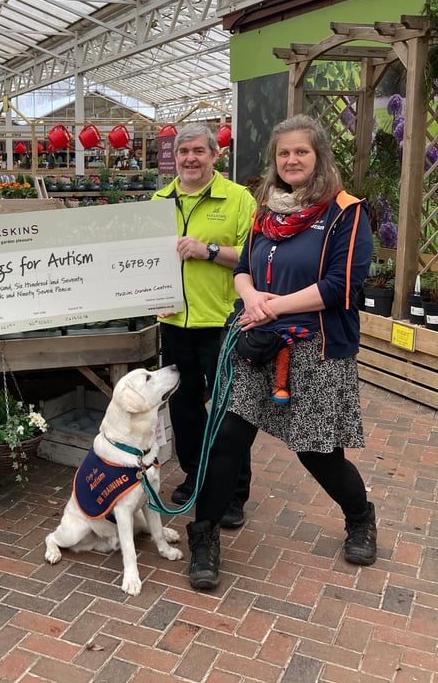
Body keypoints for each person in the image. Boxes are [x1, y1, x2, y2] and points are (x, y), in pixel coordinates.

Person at [186, 113, 376, 591]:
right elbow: (245, 266)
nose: (292, 160)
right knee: (226, 439)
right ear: (275, 160)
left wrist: (273, 307)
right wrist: (250, 297)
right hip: (257, 343)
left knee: (318, 453)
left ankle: (360, 515)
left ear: (318, 156)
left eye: (301, 152)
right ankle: (204, 536)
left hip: (315, 350)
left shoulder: (345, 212)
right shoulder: (266, 212)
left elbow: (341, 285)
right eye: (284, 153)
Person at [152, 123, 255, 525]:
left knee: (230, 410)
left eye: (198, 151)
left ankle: (233, 492)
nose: (190, 159)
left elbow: (254, 254)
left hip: (223, 323)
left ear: (215, 155)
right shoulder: (159, 200)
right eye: (183, 152)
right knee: (184, 407)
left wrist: (208, 250)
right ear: (174, 158)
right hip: (175, 322)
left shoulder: (238, 199)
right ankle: (196, 475)